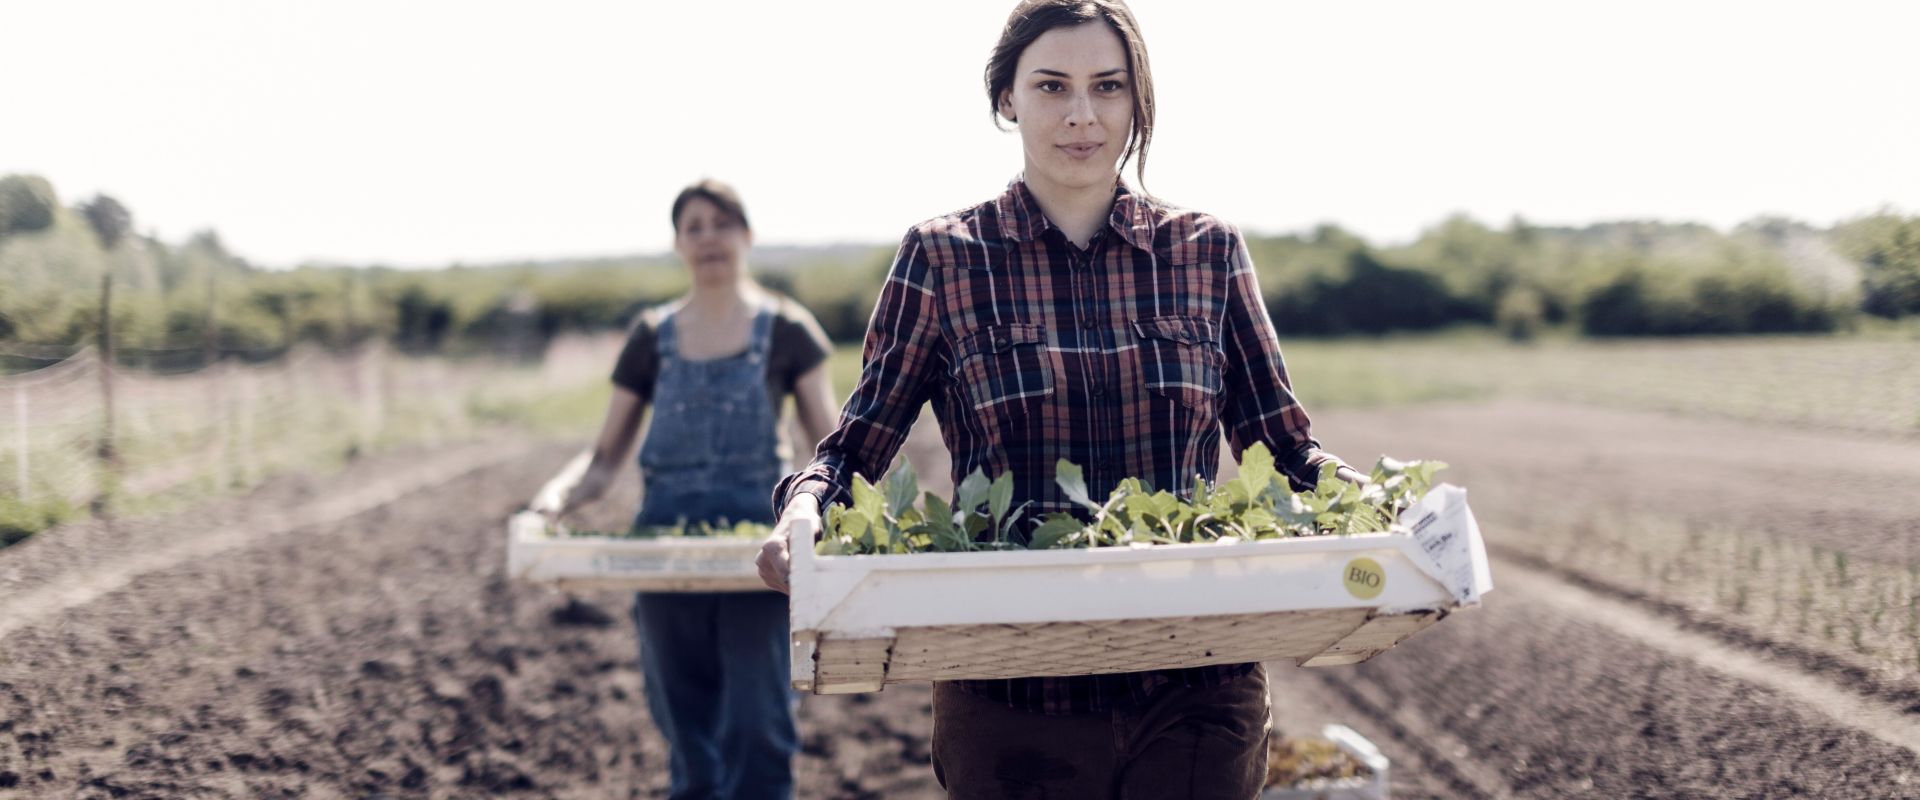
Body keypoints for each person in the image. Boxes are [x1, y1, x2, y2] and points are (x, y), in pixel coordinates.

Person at [755, 2, 1368, 797]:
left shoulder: (1206, 252)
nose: (1082, 115)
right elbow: (852, 451)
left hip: (1194, 683)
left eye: (1108, 87)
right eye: (1052, 86)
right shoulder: (945, 259)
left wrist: (1367, 499)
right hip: (1011, 697)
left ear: (1136, 102)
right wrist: (801, 514)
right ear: (1007, 99)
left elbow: (1287, 446)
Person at [537, 179, 838, 800]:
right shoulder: (652, 337)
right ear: (677, 243)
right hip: (664, 559)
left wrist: (844, 525)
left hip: (761, 560)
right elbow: (601, 462)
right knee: (686, 729)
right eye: (693, 226)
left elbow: (832, 455)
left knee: (759, 730)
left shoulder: (787, 331)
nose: (708, 238)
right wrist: (555, 500)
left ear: (747, 236)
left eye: (722, 223)